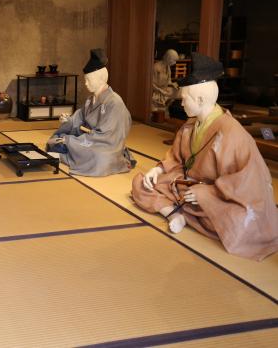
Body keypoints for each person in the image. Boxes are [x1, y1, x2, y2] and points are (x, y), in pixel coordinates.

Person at [132, 53, 278, 261]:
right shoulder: (190, 125)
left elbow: (248, 181)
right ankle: (174, 213)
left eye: (184, 99)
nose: (181, 104)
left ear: (200, 100)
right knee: (142, 183)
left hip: (218, 196)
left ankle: (184, 212)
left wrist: (208, 193)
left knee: (239, 223)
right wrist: (159, 169)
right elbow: (177, 158)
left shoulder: (231, 132)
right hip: (187, 186)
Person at [46, 48, 134, 176]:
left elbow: (108, 137)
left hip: (105, 146)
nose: (86, 84)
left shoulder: (114, 102)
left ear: (101, 79)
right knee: (57, 139)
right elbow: (79, 119)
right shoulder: (90, 100)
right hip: (88, 139)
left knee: (99, 158)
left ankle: (65, 155)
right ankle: (69, 152)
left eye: (89, 80)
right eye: (85, 80)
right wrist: (68, 120)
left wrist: (71, 141)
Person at [152, 49, 179, 114]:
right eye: (174, 60)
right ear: (168, 58)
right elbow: (151, 83)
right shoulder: (156, 67)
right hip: (155, 93)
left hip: (164, 91)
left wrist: (172, 84)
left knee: (178, 93)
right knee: (157, 111)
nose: (175, 63)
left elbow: (168, 80)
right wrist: (160, 91)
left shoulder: (168, 68)